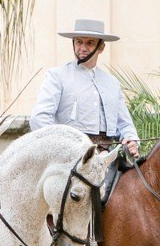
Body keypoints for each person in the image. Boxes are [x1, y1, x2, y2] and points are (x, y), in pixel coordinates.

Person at [30, 18, 140, 157]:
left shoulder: (112, 83)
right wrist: (60, 147)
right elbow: (39, 117)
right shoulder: (57, 76)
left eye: (90, 43)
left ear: (101, 47)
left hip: (106, 156)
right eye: (79, 42)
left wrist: (132, 141)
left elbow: (124, 125)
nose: (82, 48)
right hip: (69, 158)